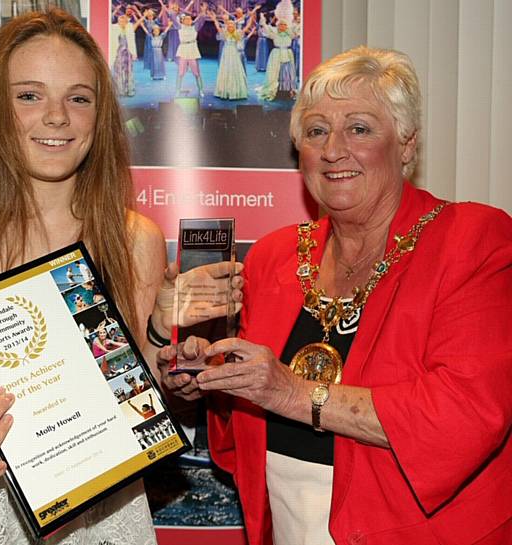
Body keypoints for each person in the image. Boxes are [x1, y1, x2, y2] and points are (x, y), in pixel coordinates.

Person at [0, 10, 242, 545]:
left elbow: (144, 399)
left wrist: (167, 347)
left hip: (102, 519)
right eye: (29, 95)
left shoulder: (134, 238)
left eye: (78, 97)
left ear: (100, 114)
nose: (56, 118)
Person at [159, 46, 512, 545]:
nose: (333, 150)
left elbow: (465, 418)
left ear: (407, 145)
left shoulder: (472, 238)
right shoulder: (273, 256)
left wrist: (290, 391)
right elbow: (241, 429)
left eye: (360, 129)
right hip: (285, 526)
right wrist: (209, 377)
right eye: (317, 131)